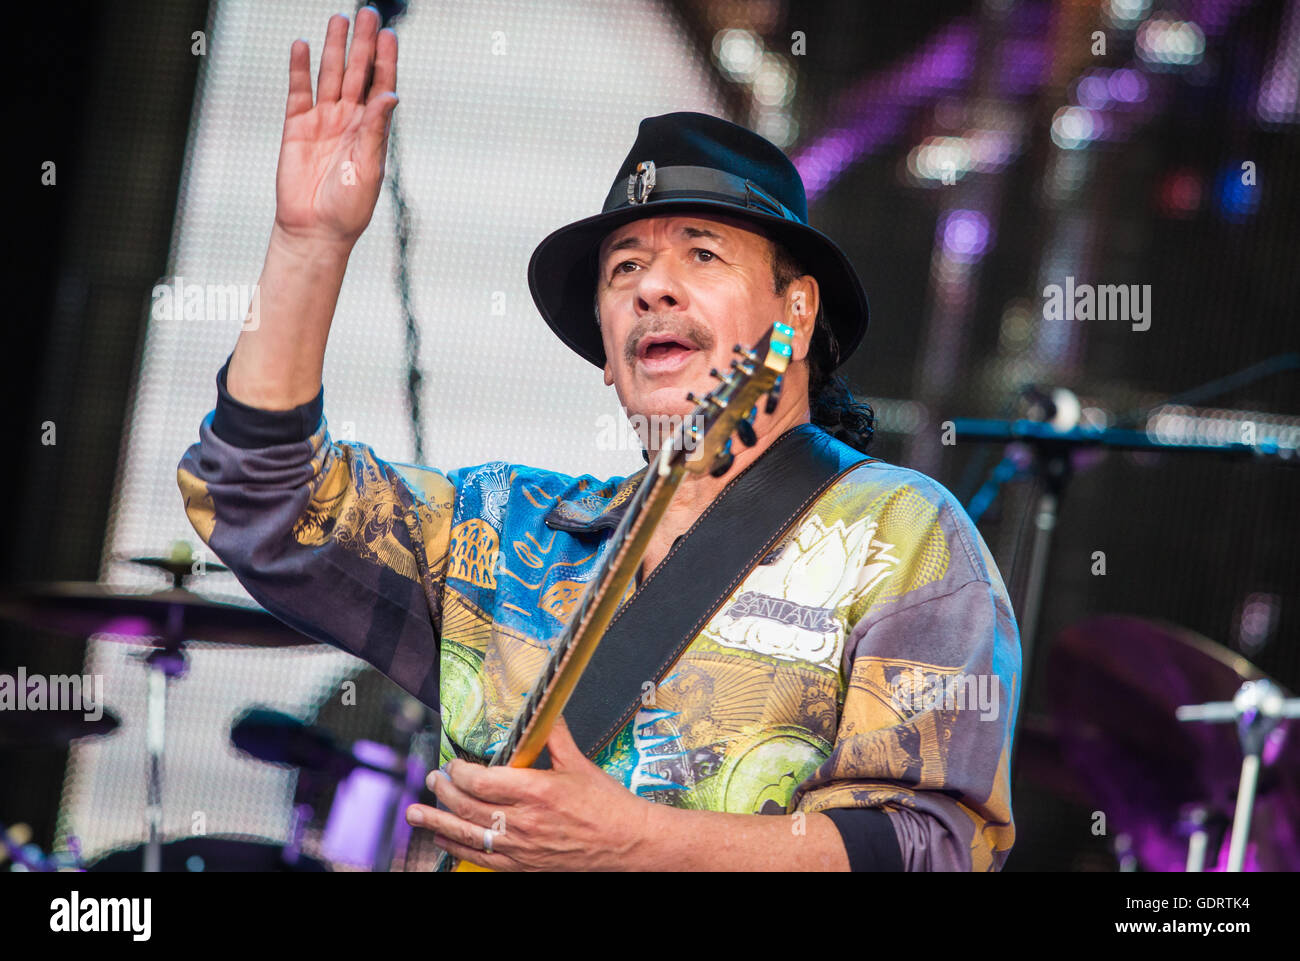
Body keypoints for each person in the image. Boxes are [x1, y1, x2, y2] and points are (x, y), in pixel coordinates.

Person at [177, 7, 1020, 871]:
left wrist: (638, 842)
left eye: (701, 254)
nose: (653, 286)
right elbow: (261, 497)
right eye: (625, 268)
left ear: (795, 311)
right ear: (608, 360)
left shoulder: (902, 534)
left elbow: (930, 846)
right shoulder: (501, 528)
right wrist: (308, 244)